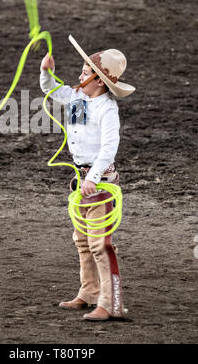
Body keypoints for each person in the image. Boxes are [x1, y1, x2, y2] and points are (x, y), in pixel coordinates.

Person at [39, 35, 135, 321]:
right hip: (82, 182)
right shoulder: (77, 97)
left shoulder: (107, 109)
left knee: (99, 243)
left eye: (85, 72)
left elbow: (109, 149)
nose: (80, 75)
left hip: (101, 183)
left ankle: (111, 302)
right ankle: (90, 291)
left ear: (100, 82)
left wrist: (92, 177)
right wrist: (46, 71)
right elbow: (52, 90)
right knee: (82, 239)